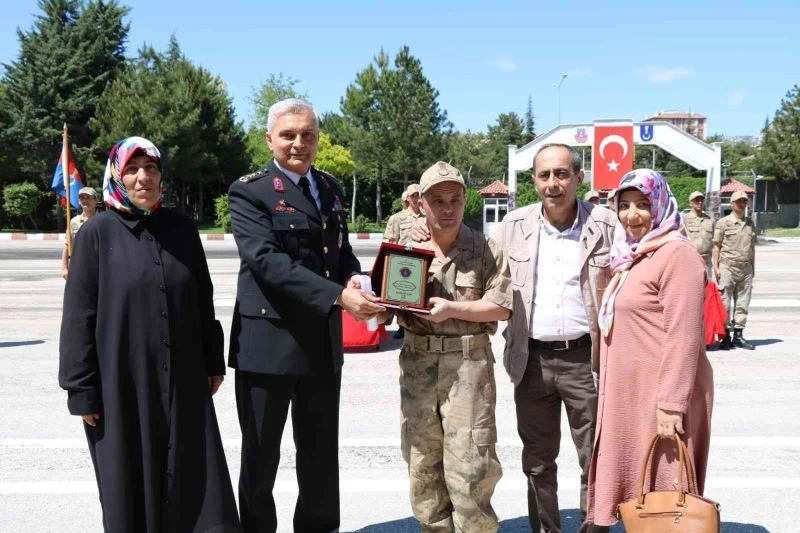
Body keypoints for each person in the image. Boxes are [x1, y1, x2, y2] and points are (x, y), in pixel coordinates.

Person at [58, 136, 240, 533]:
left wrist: (212, 361)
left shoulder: (182, 229)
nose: (144, 178)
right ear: (117, 175)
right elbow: (78, 317)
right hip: (120, 385)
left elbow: (202, 298)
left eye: (152, 169)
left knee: (196, 481)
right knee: (128, 484)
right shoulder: (96, 233)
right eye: (133, 169)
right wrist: (80, 389)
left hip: (185, 377)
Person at [227, 98, 384, 533]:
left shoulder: (330, 188)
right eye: (289, 135)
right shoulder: (250, 190)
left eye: (308, 135)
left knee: (319, 453)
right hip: (267, 344)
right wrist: (338, 296)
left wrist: (354, 278)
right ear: (270, 139)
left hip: (320, 343)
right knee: (261, 455)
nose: (299, 143)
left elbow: (342, 252)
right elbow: (266, 261)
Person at [492, 143, 616, 533]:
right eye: (544, 175)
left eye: (561, 174)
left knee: (594, 457)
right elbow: (484, 282)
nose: (553, 183)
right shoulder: (512, 228)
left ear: (579, 178)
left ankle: (593, 527)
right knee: (538, 461)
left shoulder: (606, 224)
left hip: (587, 361)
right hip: (531, 361)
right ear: (534, 180)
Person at [382, 161, 511, 532]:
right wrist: (375, 307)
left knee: (472, 465)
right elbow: (388, 307)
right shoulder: (405, 251)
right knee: (423, 463)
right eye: (437, 200)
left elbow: (501, 306)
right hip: (418, 362)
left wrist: (453, 309)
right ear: (421, 203)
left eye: (455, 199)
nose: (448, 208)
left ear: (465, 199)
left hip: (468, 364)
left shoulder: (485, 248)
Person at [588, 169, 714, 527]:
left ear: (660, 205)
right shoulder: (633, 255)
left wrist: (671, 405)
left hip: (660, 398)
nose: (632, 215)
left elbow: (685, 334)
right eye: (624, 205)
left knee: (665, 497)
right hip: (632, 395)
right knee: (639, 496)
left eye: (643, 205)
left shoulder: (677, 254)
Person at [713, 190, 757, 350]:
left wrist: (753, 268)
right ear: (732, 204)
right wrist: (716, 267)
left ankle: (739, 335)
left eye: (744, 201)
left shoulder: (750, 223)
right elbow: (716, 246)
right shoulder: (723, 223)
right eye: (739, 201)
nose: (742, 204)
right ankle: (725, 337)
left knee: (743, 303)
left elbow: (752, 248)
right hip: (727, 267)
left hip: (745, 268)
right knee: (724, 303)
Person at [60, 186, 99, 279]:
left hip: (98, 267)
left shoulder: (104, 220)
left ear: (96, 200)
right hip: (78, 266)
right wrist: (64, 268)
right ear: (78, 201)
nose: (85, 200)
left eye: (88, 197)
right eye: (82, 198)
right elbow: (67, 244)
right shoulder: (74, 221)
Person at [683, 190, 715, 278]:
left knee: (706, 289)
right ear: (690, 203)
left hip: (706, 262)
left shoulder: (710, 220)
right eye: (696, 200)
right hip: (690, 261)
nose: (700, 202)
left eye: (702, 200)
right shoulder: (684, 220)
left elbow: (715, 243)